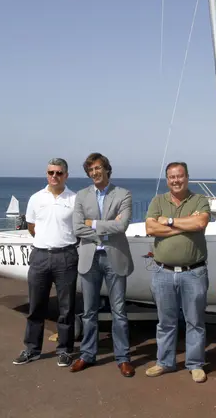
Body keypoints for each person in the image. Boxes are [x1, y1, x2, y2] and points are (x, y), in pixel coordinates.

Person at [70, 153, 136, 377]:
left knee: (119, 311)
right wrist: (105, 228)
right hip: (90, 258)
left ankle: (123, 357)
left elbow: (123, 226)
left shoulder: (123, 194)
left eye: (98, 168)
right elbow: (77, 228)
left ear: (107, 169)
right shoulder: (81, 196)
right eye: (90, 170)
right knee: (89, 312)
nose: (95, 173)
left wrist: (94, 224)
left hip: (115, 257)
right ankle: (87, 354)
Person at [144, 161, 211, 383]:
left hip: (194, 272)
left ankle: (195, 364)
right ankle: (165, 362)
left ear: (187, 177)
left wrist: (170, 222)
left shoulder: (199, 200)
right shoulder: (158, 201)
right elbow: (150, 228)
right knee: (166, 321)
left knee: (195, 321)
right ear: (167, 180)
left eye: (180, 176)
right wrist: (184, 225)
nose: (176, 180)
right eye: (172, 177)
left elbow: (200, 223)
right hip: (163, 272)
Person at [12, 158, 78, 368]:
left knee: (66, 308)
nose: (54, 176)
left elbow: (79, 228)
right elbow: (32, 226)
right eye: (51, 172)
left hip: (66, 256)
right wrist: (45, 241)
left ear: (66, 175)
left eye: (59, 173)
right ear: (46, 174)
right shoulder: (36, 198)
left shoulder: (75, 199)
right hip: (40, 256)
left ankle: (65, 350)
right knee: (36, 306)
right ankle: (32, 349)